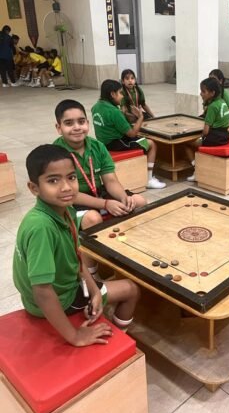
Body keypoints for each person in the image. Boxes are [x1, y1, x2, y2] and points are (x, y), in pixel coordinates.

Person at [13, 144, 141, 346]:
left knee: (104, 285)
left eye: (71, 177)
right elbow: (42, 292)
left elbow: (76, 257)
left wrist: (95, 291)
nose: (66, 187)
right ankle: (120, 339)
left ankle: (104, 313)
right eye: (53, 180)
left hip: (61, 288)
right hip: (59, 299)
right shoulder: (41, 227)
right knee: (131, 289)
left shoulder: (65, 211)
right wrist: (74, 336)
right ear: (34, 188)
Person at [53, 99, 147, 277]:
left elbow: (110, 180)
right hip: (68, 203)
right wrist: (105, 204)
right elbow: (70, 194)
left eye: (81, 121)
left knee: (138, 201)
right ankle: (92, 275)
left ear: (88, 123)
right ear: (59, 128)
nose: (77, 127)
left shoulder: (97, 147)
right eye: (69, 123)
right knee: (93, 219)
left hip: (98, 193)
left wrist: (123, 198)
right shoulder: (56, 154)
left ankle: (127, 255)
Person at [91, 79, 166, 189]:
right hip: (118, 144)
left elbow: (112, 123)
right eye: (120, 93)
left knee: (141, 137)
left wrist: (126, 115)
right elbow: (132, 134)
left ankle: (143, 170)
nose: (122, 96)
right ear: (112, 94)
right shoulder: (114, 112)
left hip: (104, 143)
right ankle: (149, 179)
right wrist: (140, 117)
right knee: (151, 144)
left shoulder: (96, 107)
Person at [185, 77, 229, 182]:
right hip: (225, 137)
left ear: (212, 93)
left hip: (215, 139)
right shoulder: (222, 102)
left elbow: (205, 131)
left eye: (203, 91)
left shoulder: (212, 107)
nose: (201, 94)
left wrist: (198, 137)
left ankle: (196, 170)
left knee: (187, 143)